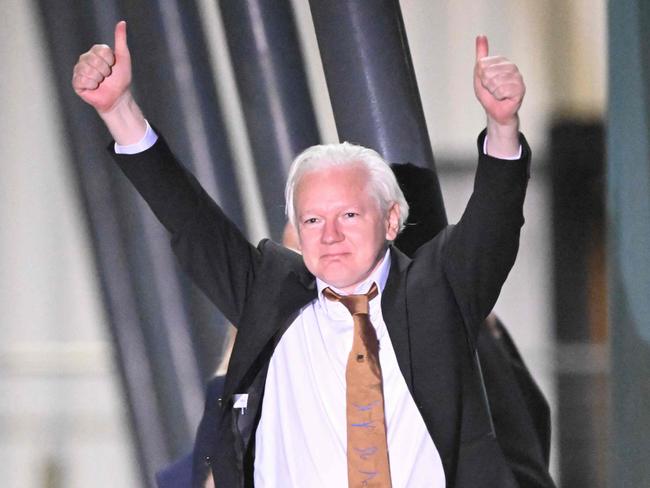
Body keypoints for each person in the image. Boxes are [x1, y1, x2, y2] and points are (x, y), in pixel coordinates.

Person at [73, 20, 531, 487]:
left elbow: (493, 224)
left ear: (391, 219)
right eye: (312, 220)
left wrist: (502, 125)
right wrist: (119, 111)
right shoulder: (270, 293)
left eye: (349, 216)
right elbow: (189, 220)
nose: (329, 235)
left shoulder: (437, 291)